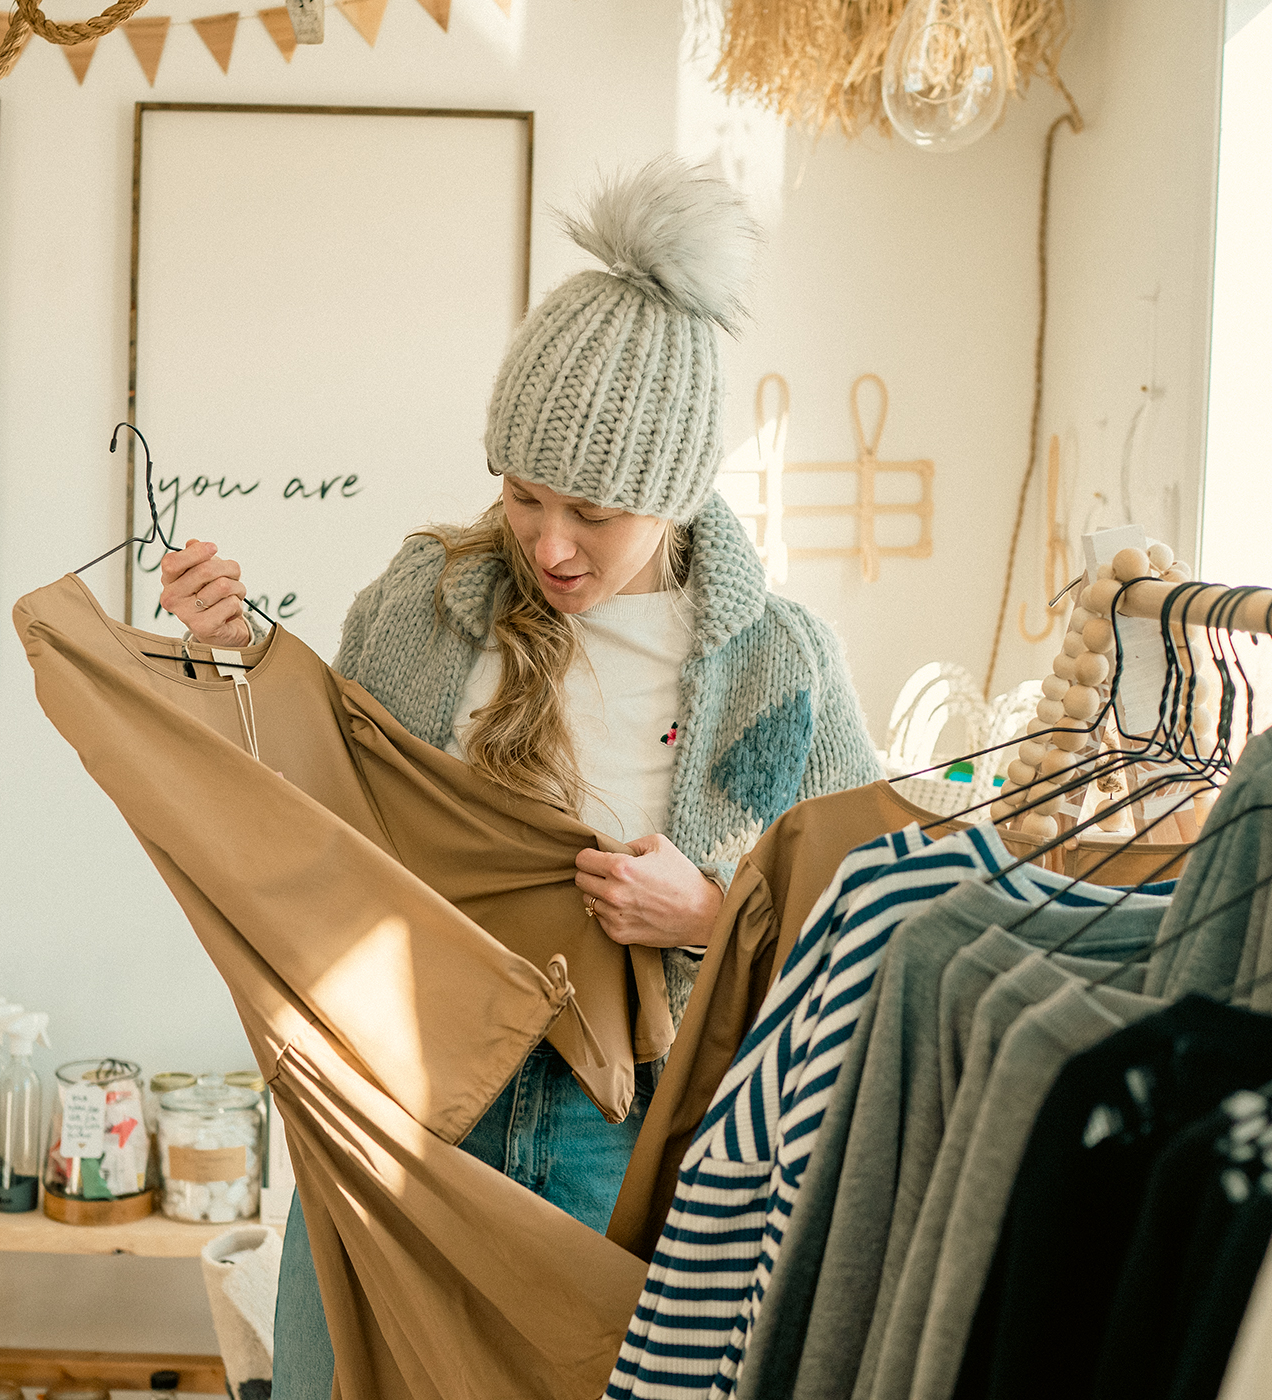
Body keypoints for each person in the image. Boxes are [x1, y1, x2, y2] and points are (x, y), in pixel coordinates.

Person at [157, 156, 881, 1398]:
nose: (551, 543)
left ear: (678, 493)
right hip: (405, 1096)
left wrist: (706, 915)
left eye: (595, 511)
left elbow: (864, 913)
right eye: (524, 493)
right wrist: (225, 656)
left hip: (628, 1124)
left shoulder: (776, 667)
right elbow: (319, 817)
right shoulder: (424, 607)